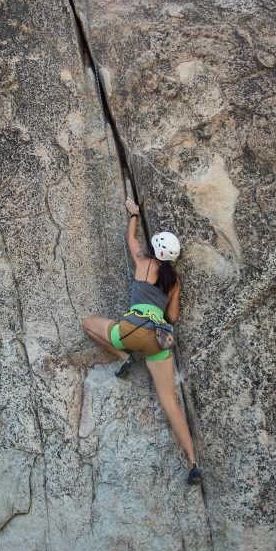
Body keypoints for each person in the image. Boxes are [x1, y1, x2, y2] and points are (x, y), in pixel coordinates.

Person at [80, 198, 202, 485]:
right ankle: (193, 462)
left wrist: (134, 214)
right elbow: (173, 316)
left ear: (155, 249)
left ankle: (123, 358)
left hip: (131, 330)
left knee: (87, 324)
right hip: (159, 341)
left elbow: (130, 239)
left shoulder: (144, 264)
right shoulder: (174, 280)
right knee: (170, 401)